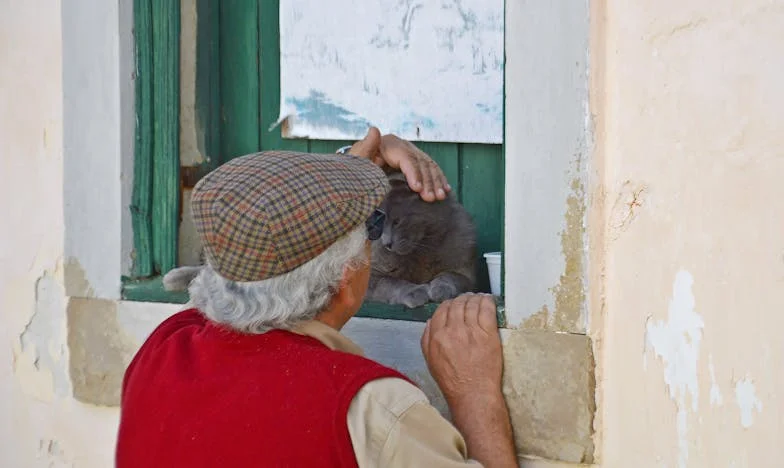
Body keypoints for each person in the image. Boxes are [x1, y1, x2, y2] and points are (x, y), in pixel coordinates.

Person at [115, 128, 517, 467]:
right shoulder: (376, 409)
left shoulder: (163, 348)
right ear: (345, 280)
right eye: (371, 228)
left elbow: (255, 229)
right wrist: (475, 397)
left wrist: (351, 164)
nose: (378, 238)